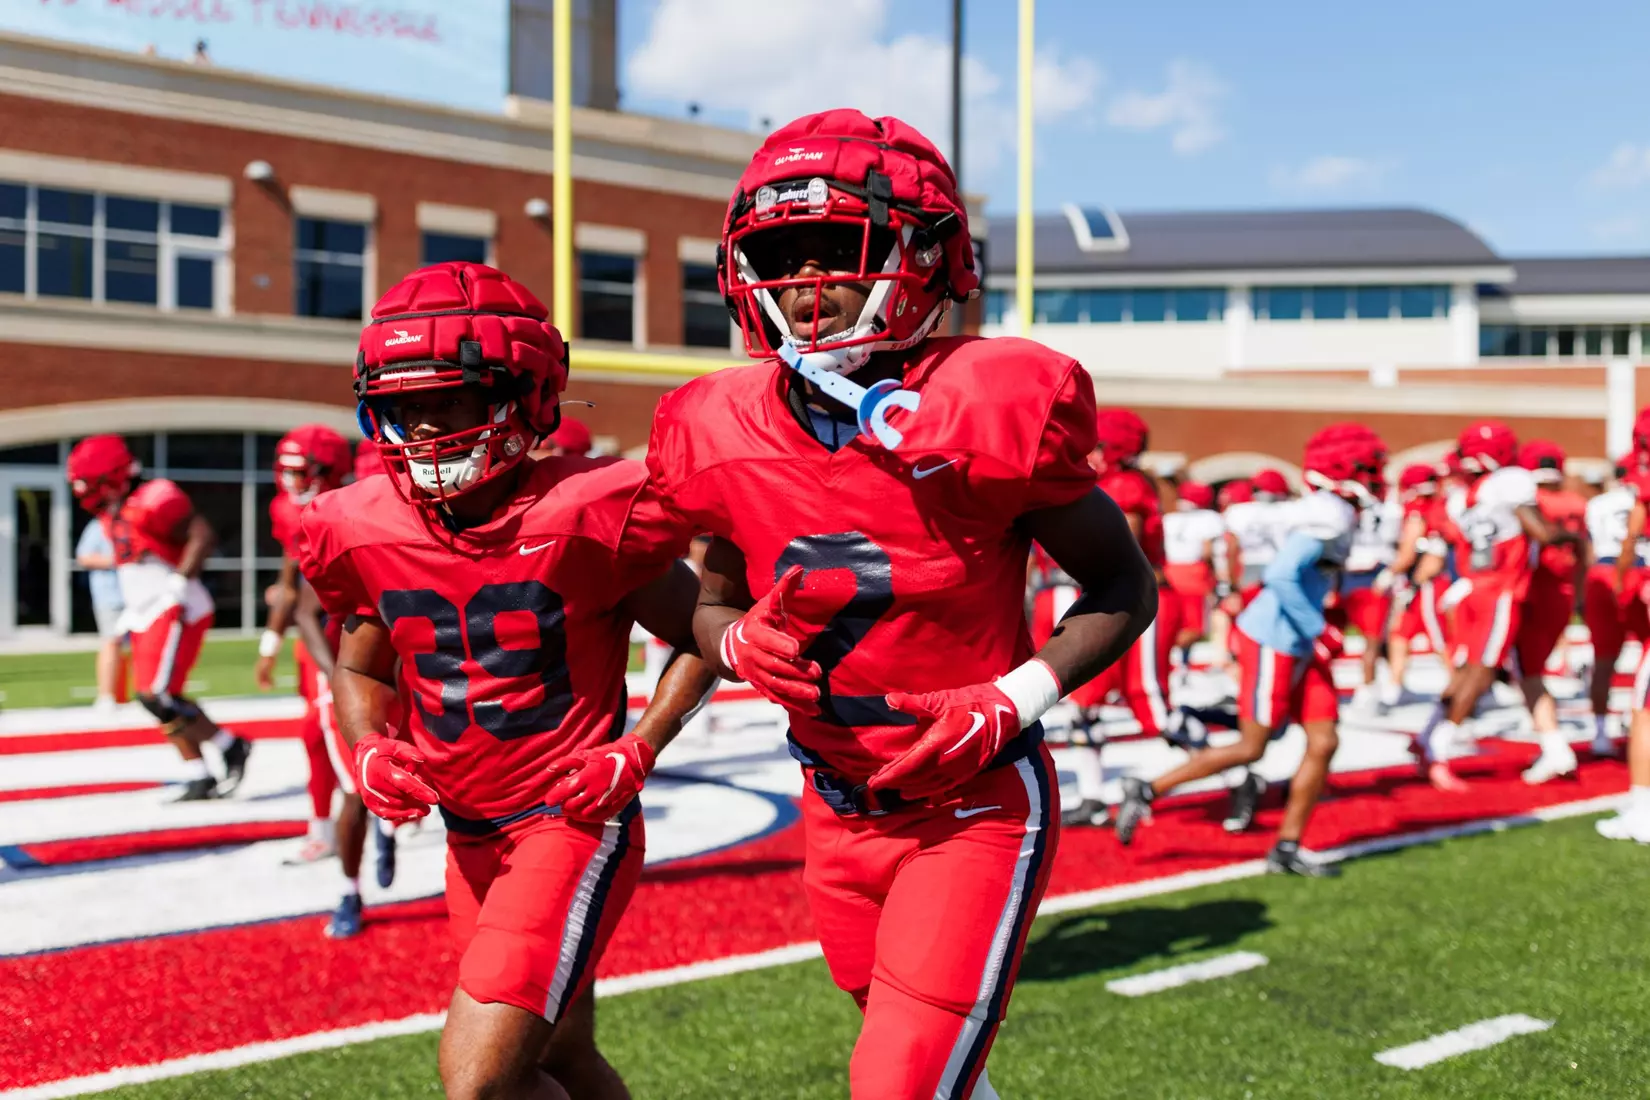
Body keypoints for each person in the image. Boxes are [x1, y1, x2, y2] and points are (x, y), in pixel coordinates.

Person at [645, 109, 1157, 1100]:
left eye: (838, 247)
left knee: (896, 1084)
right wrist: (739, 641)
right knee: (913, 1058)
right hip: (832, 804)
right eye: (781, 252)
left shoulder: (993, 401)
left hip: (972, 800)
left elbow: (1121, 584)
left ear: (929, 253)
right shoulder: (713, 423)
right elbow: (707, 610)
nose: (806, 281)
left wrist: (1013, 697)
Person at [301, 261, 715, 1100]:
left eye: (445, 400)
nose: (421, 429)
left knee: (477, 1081)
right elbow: (357, 662)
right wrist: (368, 747)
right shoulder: (364, 523)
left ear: (523, 395)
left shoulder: (590, 508)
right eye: (404, 404)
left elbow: (709, 631)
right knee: (556, 1060)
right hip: (468, 833)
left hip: (570, 819)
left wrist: (640, 748)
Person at [1114, 426, 1384, 876]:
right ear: (1344, 470)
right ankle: (1145, 786)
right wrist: (1318, 628)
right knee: (1252, 746)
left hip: (1296, 637)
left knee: (1324, 739)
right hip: (1276, 636)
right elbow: (1282, 575)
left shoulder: (1333, 509)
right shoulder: (1329, 511)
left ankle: (1287, 846)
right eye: (1367, 468)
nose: (1376, 477)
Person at [65, 435, 251, 800]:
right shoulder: (116, 509)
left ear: (113, 476)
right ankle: (203, 767)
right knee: (159, 696)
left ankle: (227, 748)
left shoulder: (154, 497)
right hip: (145, 609)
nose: (88, 494)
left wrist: (178, 584)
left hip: (175, 605)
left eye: (93, 484)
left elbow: (202, 535)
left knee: (156, 694)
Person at [1416, 421, 1577, 790]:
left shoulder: (1464, 496)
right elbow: (1540, 531)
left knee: (1466, 671)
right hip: (1500, 591)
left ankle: (1428, 736)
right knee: (1479, 673)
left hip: (1472, 588)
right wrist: (1569, 538)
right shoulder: (1509, 483)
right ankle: (1436, 748)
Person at [1059, 408, 1183, 828]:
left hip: (1139, 600)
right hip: (1108, 599)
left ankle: (1236, 766)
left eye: (1095, 446)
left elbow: (1118, 552)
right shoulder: (1112, 481)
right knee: (1084, 703)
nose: (1088, 453)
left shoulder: (1126, 485)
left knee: (1152, 707)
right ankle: (1093, 798)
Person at [260, 425, 353, 864]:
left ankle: (375, 819)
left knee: (335, 732)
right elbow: (292, 577)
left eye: (303, 471)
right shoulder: (287, 510)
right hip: (319, 640)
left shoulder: (349, 508)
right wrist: (270, 641)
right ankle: (328, 826)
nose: (293, 482)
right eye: (288, 472)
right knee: (318, 733)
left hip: (351, 633)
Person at [1514, 440, 1589, 783]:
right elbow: (1585, 551)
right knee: (1532, 671)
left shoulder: (1531, 502)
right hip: (1564, 592)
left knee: (1528, 673)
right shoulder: (1576, 502)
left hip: (1534, 591)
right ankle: (1552, 741)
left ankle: (1555, 745)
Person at [1582, 459, 1646, 759]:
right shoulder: (1638, 498)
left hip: (1602, 573)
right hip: (1636, 572)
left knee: (1603, 660)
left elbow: (1591, 547)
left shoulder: (1597, 503)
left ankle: (1599, 733)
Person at [1384, 463, 1452, 705]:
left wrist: (1388, 574)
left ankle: (1461, 685)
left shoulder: (1419, 511)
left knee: (1440, 638)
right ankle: (1395, 683)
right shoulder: (1440, 506)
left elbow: (1408, 554)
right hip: (1420, 582)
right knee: (1400, 633)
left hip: (1426, 584)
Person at [1341, 465, 1401, 713]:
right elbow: (1395, 543)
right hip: (1375, 575)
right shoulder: (1390, 510)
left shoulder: (1343, 508)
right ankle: (1367, 690)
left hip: (1349, 575)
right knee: (1374, 640)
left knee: (1371, 639)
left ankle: (1383, 685)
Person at [1162, 480, 1223, 665]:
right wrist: (1217, 577)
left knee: (1174, 623)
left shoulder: (1169, 518)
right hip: (1195, 574)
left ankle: (1176, 661)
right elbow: (1207, 552)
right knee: (1196, 627)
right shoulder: (1209, 518)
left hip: (1169, 572)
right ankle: (1176, 661)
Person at [75, 515, 128, 710]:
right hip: (111, 595)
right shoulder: (98, 526)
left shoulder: (135, 523)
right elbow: (84, 556)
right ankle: (106, 697)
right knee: (111, 642)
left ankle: (140, 692)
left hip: (138, 595)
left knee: (142, 645)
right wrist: (117, 559)